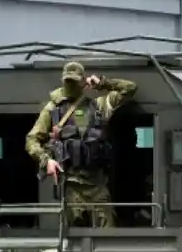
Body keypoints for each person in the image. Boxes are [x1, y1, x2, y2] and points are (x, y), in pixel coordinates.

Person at [25, 61, 137, 228]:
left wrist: (102, 83)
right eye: (67, 81)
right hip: (71, 186)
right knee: (74, 241)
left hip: (97, 185)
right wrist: (46, 160)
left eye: (74, 81)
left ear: (83, 81)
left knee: (107, 235)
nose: (70, 85)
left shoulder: (98, 106)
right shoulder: (53, 109)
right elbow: (31, 140)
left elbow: (130, 88)